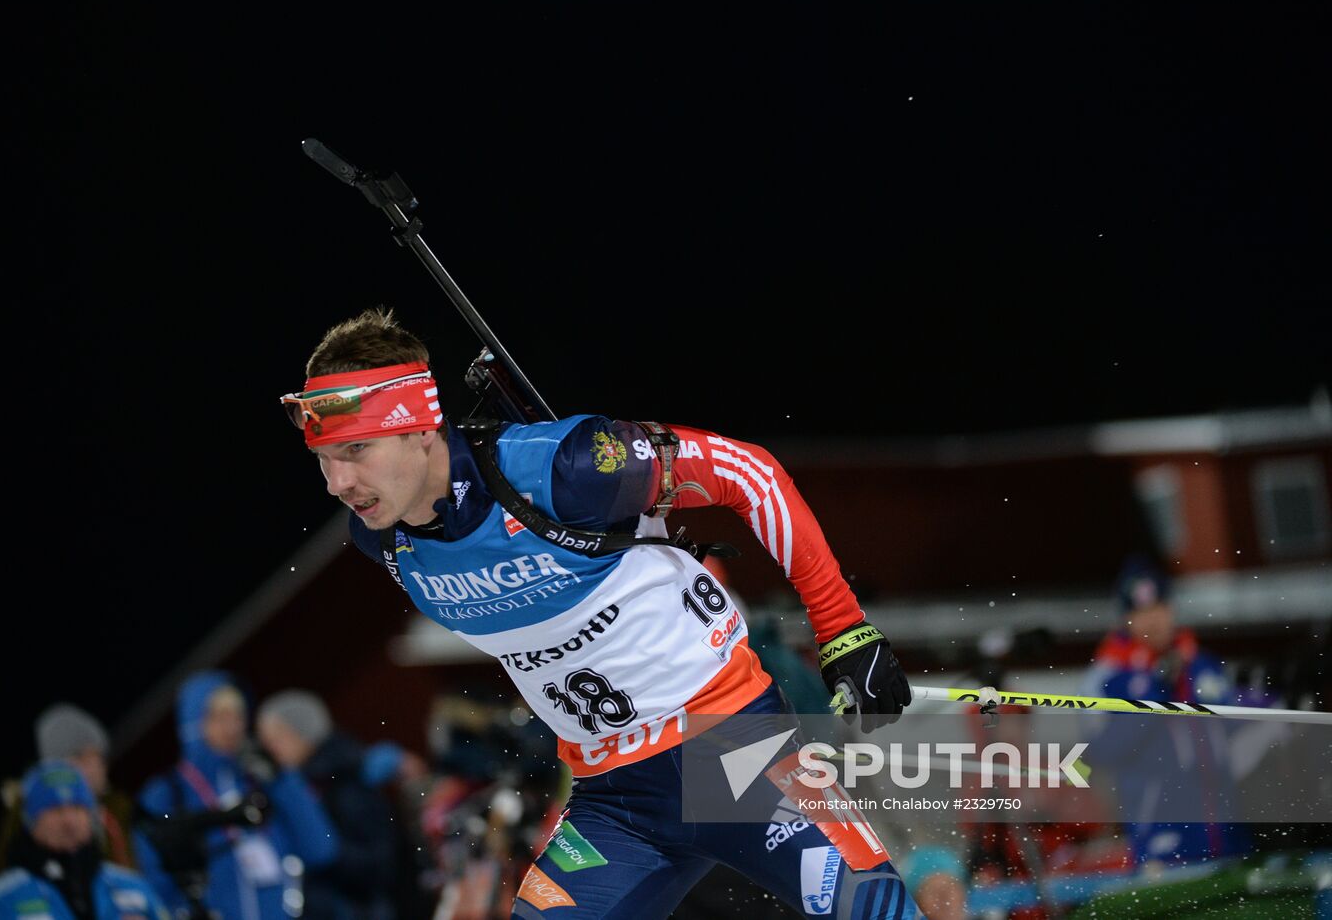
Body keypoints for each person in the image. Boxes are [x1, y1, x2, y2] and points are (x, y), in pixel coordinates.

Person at [278, 308, 920, 918]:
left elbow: (750, 472)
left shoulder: (565, 468)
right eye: (323, 459)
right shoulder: (382, 536)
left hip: (732, 756)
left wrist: (843, 629)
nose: (337, 483)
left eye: (355, 451)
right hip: (614, 801)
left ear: (421, 427)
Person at [1083, 555, 1252, 866]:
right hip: (1160, 836)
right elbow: (1101, 751)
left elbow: (1235, 729)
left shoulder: (1200, 662)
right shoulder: (1108, 676)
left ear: (1171, 609)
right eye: (1140, 612)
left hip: (1227, 830)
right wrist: (1154, 694)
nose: (1152, 621)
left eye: (1158, 608)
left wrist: (1267, 701)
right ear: (1125, 619)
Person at [132, 672, 339, 920]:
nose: (232, 727)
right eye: (219, 717)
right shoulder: (167, 793)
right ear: (193, 722)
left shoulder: (261, 782)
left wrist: (282, 779)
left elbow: (322, 849)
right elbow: (157, 879)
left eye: (237, 716)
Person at [255, 690, 409, 920]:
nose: (272, 752)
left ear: (302, 734)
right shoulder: (301, 782)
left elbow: (379, 863)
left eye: (277, 740)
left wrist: (330, 854)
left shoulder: (344, 781)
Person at [0, 761, 171, 920]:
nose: (69, 821)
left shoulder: (132, 888)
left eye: (77, 808)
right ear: (31, 821)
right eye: (55, 810)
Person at [0, 704, 136, 871]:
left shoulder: (119, 809)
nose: (95, 769)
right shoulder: (29, 816)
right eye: (82, 758)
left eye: (98, 758)